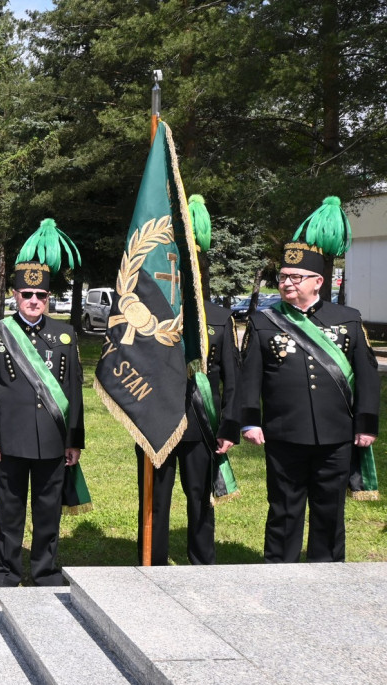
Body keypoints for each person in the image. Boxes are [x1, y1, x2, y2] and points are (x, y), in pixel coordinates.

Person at [240, 197, 379, 563]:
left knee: (329, 509)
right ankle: (279, 570)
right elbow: (249, 378)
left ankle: (327, 571)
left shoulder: (347, 318)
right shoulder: (264, 322)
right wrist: (250, 420)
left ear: (318, 281)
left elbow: (367, 377)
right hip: (284, 432)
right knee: (284, 507)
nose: (286, 283)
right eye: (283, 277)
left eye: (295, 278)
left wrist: (365, 424)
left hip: (336, 435)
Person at [0, 219, 84, 603]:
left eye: (40, 294)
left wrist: (74, 442)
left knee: (48, 510)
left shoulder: (65, 334)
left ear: (48, 297)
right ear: (15, 296)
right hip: (10, 441)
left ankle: (46, 572)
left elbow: (72, 392)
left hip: (53, 443)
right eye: (27, 294)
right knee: (9, 512)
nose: (34, 301)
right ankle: (5, 575)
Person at [137, 197, 240, 566]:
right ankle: (153, 565)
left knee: (200, 498)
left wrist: (229, 426)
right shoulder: (150, 315)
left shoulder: (219, 317)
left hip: (201, 425)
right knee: (155, 500)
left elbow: (232, 377)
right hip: (156, 421)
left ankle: (202, 564)